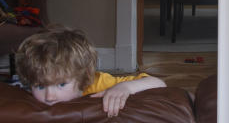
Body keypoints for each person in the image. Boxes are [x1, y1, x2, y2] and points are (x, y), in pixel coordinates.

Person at [15, 26, 166, 117]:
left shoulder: (100, 83)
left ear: (82, 77)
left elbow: (159, 83)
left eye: (61, 84)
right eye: (40, 86)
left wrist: (124, 88)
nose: (49, 97)